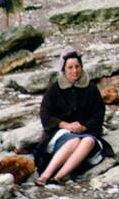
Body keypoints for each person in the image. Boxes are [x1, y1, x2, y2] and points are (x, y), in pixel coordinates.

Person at [32, 51, 114, 186]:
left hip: (87, 131)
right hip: (61, 132)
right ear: (64, 69)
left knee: (88, 141)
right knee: (74, 140)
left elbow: (98, 114)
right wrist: (65, 125)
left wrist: (84, 127)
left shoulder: (91, 89)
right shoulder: (54, 89)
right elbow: (45, 115)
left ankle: (59, 177)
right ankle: (45, 175)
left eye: (77, 66)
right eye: (70, 67)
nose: (74, 71)